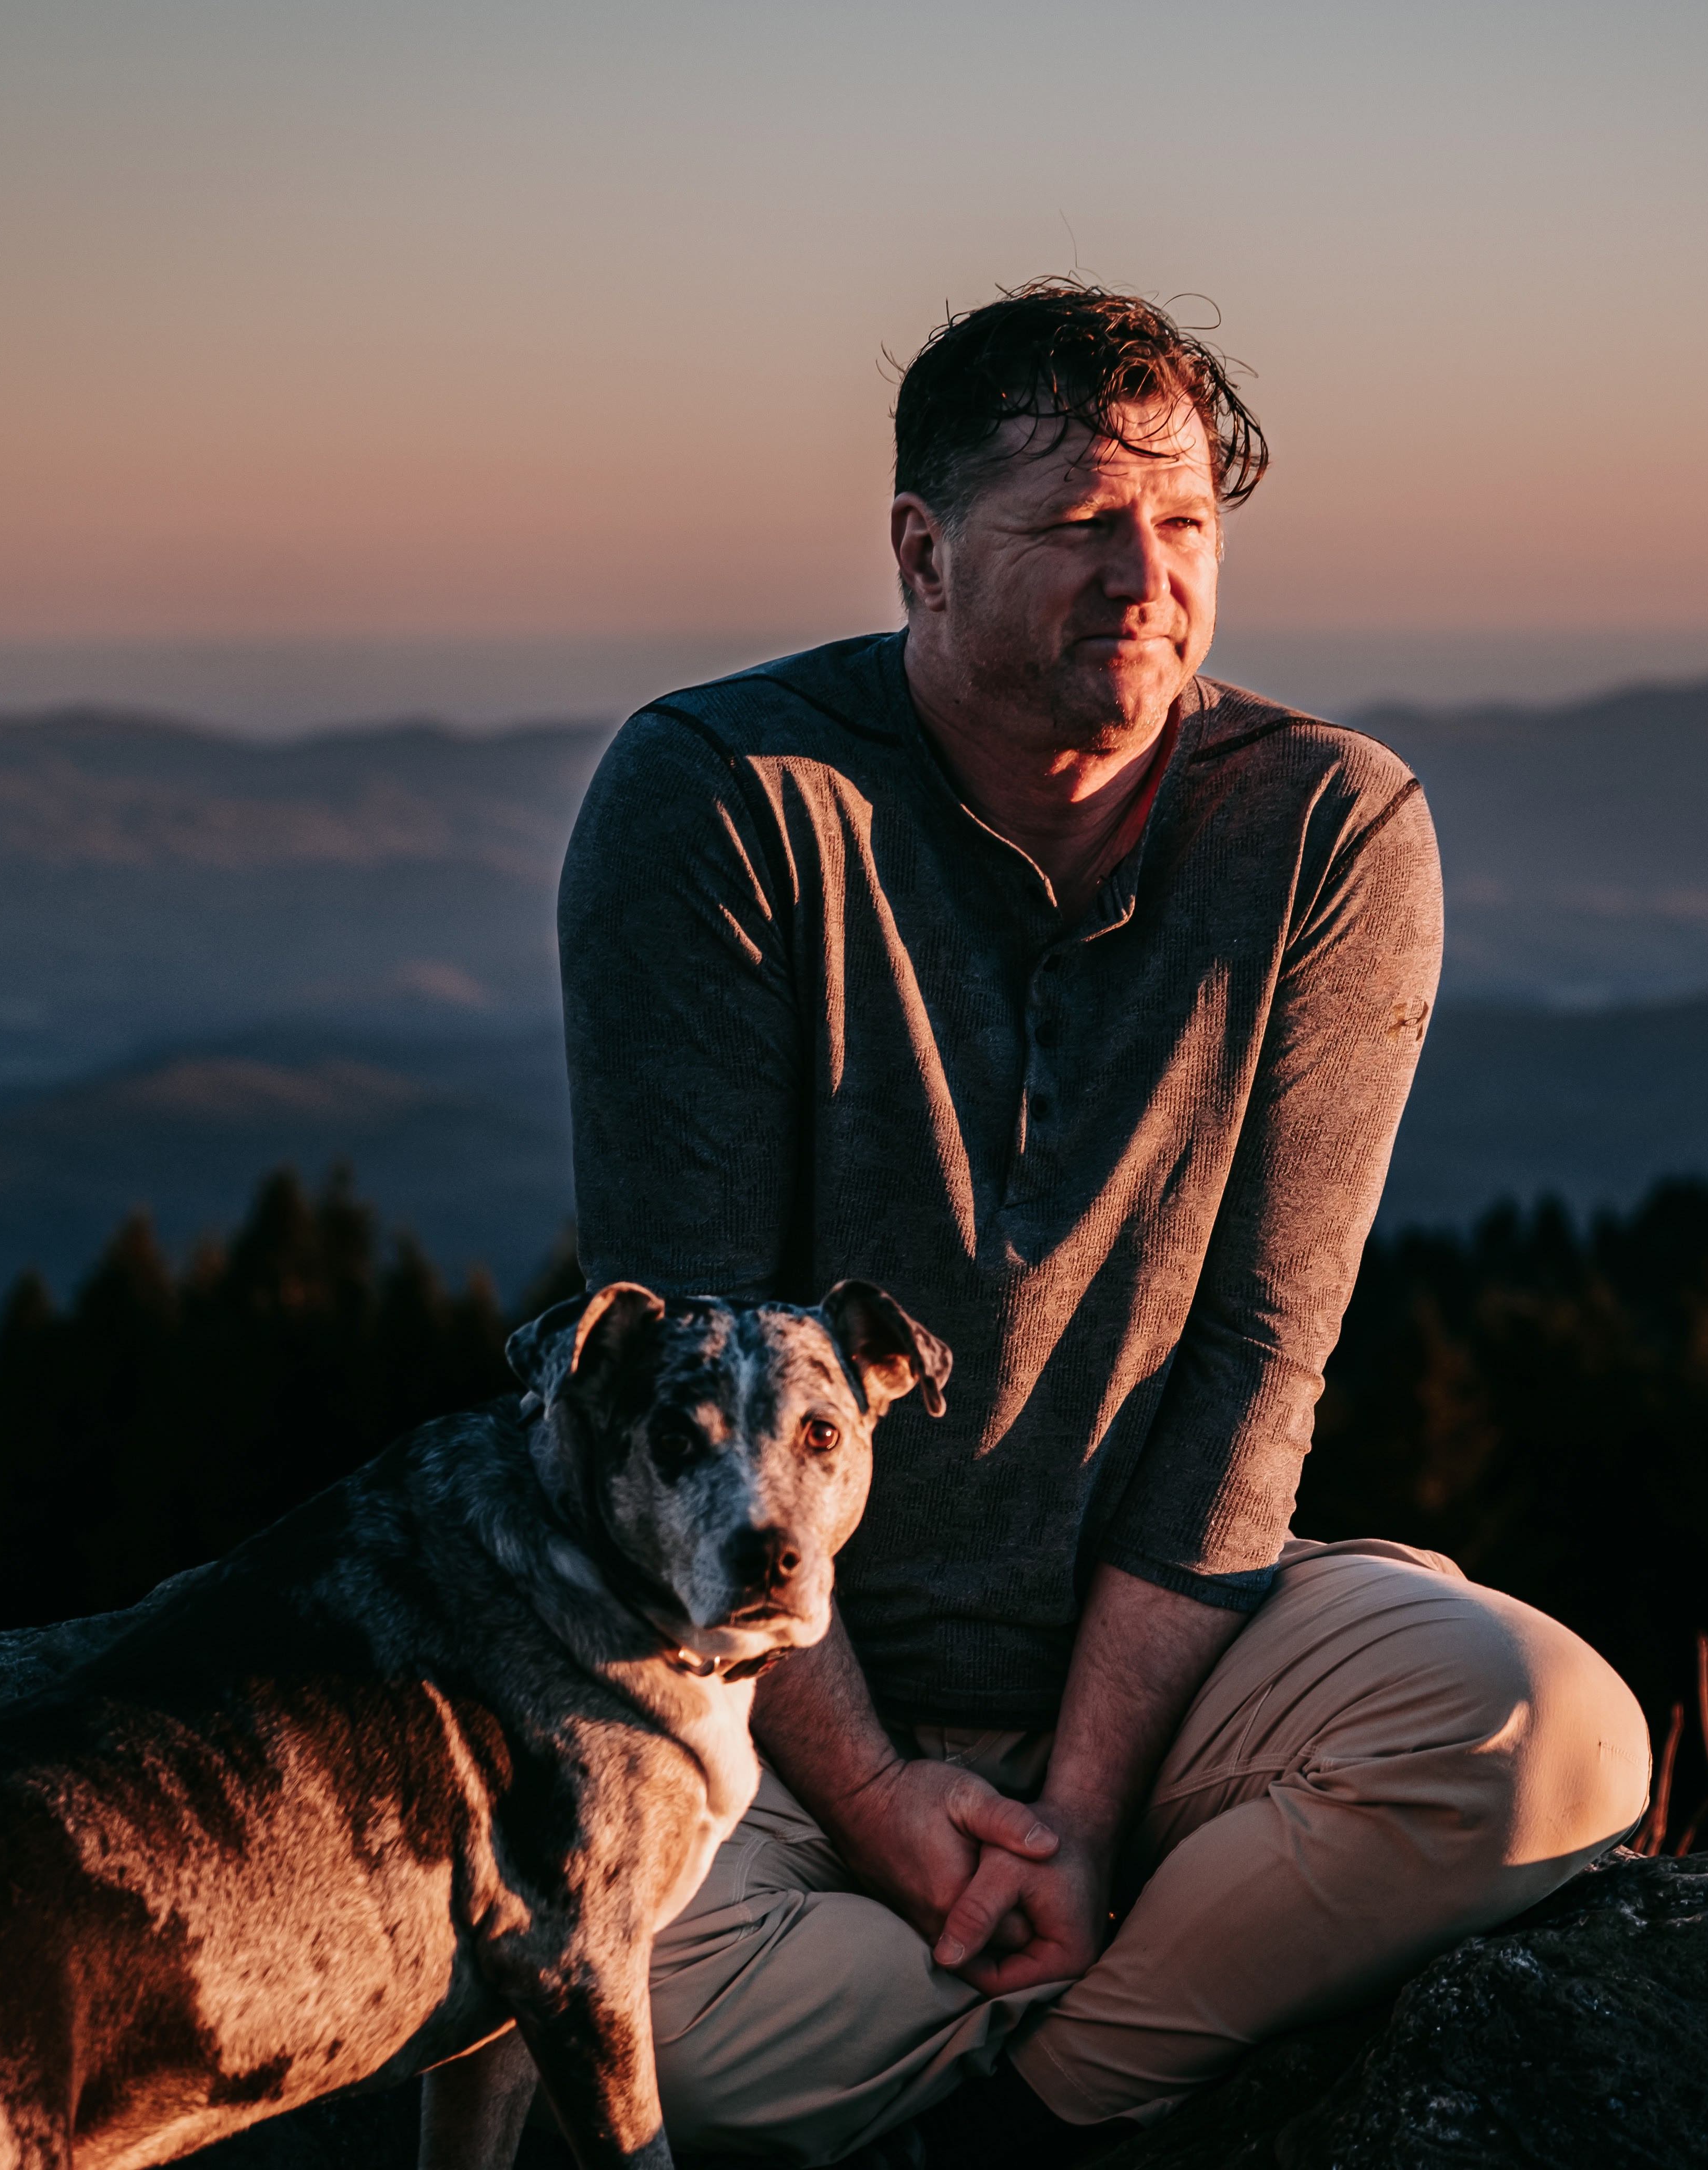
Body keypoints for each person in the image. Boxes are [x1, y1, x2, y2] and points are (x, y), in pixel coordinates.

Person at [485, 281, 1647, 2165]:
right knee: (638, 2009)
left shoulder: (1326, 828)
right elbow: (690, 1362)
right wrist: (873, 1798)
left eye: (1184, 523)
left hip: (1164, 1664)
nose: (1146, 576)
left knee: (1560, 1742)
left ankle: (1022, 2112)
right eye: (1078, 525)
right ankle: (1181, 2004)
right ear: (921, 555)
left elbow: (1265, 1361)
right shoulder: (723, 802)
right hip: (753, 1659)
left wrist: (1086, 1816)